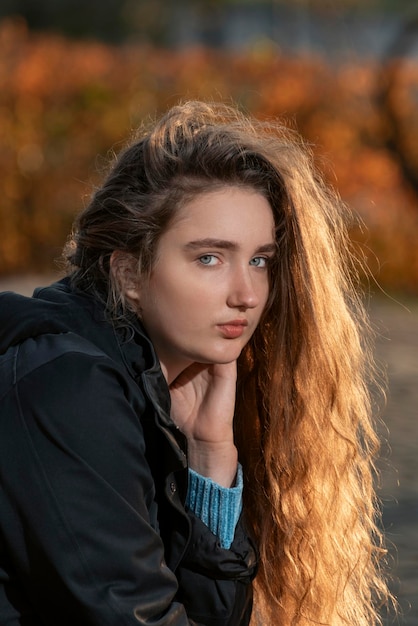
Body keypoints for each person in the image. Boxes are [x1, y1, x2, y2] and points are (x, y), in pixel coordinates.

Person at [0, 101, 392, 625]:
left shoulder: (144, 382)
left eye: (259, 260)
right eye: (209, 257)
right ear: (129, 274)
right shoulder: (69, 383)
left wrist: (210, 457)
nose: (247, 294)